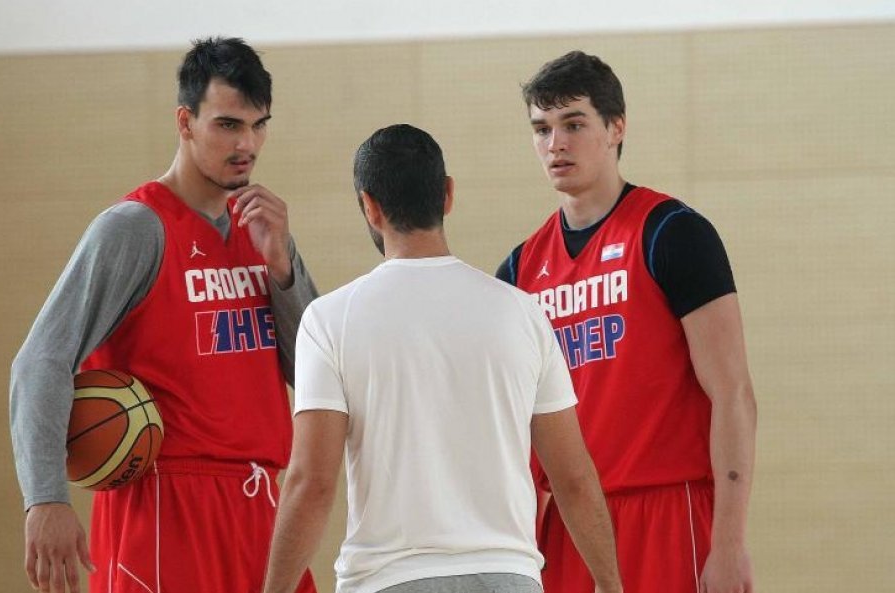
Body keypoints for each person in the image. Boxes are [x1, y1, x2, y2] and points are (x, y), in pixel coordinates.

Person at [9, 37, 319, 593]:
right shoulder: (134, 227)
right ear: (185, 120)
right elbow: (41, 360)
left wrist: (283, 272)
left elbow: (315, 377)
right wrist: (46, 498)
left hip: (264, 507)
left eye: (258, 125)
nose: (247, 143)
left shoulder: (264, 230)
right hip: (163, 505)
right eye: (227, 124)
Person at [261, 124, 623, 593]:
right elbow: (573, 476)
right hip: (509, 578)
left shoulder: (329, 320)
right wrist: (610, 583)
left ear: (370, 207)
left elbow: (312, 482)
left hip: (389, 580)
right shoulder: (523, 312)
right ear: (448, 195)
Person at [497, 51, 758, 593]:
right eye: (541, 129)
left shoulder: (673, 233)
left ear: (616, 127)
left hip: (666, 508)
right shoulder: (520, 269)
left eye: (573, 124)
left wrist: (729, 543)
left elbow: (733, 394)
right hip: (565, 524)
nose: (555, 144)